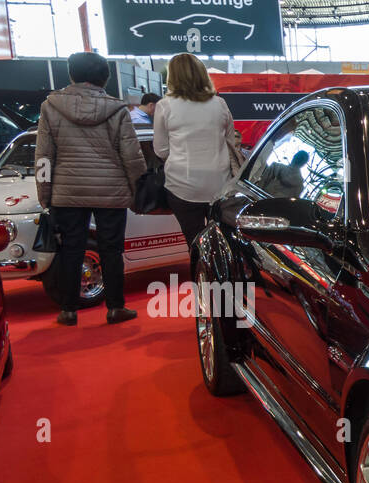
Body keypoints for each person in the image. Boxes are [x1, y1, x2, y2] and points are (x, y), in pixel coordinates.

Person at [34, 51, 145, 326]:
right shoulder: (118, 109)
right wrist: (138, 189)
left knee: (71, 249)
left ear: (71, 75)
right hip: (111, 190)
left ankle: (68, 310)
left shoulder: (50, 106)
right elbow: (132, 156)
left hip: (67, 190)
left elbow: (44, 156)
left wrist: (44, 192)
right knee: (111, 249)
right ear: (104, 77)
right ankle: (115, 308)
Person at [154, 52, 235, 263]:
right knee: (223, 244)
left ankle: (204, 289)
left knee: (195, 243)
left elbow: (161, 150)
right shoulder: (220, 104)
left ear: (172, 77)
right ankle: (227, 289)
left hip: (182, 185)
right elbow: (231, 143)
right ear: (202, 74)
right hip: (219, 185)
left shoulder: (165, 105)